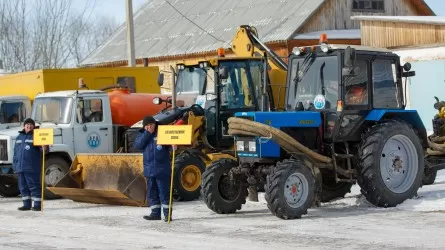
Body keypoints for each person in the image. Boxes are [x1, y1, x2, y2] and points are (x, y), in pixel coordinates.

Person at [134, 115, 176, 222]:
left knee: (164, 193)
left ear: (155, 124)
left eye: (151, 125)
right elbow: (138, 145)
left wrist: (173, 146)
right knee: (152, 193)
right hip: (149, 170)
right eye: (147, 126)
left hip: (162, 169)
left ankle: (167, 215)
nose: (149, 127)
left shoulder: (162, 133)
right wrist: (147, 134)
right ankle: (155, 214)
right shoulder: (142, 135)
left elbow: (171, 145)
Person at [12, 118, 47, 211]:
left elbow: (43, 149)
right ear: (24, 126)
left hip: (32, 167)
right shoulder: (19, 137)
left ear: (33, 126)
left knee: (34, 186)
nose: (29, 126)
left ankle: (37, 205)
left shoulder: (36, 135)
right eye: (27, 124)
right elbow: (15, 152)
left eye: (31, 124)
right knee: (22, 187)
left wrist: (44, 147)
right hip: (20, 167)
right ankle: (26, 204)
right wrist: (15, 165)